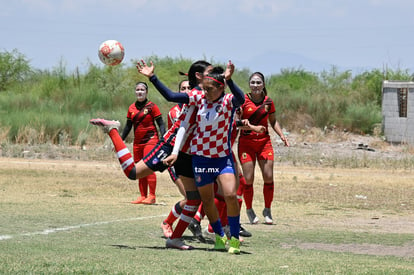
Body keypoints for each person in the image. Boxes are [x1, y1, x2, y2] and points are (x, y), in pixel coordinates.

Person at [137, 60, 245, 254]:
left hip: (222, 158)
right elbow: (171, 96)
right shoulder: (198, 96)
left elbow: (241, 99)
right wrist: (152, 77)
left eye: (210, 89)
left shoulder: (227, 100)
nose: (205, 92)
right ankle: (220, 236)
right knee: (208, 200)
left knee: (230, 195)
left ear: (220, 88)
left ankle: (234, 239)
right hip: (201, 159)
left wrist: (230, 80)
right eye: (204, 88)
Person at [237, 72, 289, 225]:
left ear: (263, 84)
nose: (255, 85)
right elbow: (236, 123)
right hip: (246, 143)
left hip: (264, 143)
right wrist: (251, 126)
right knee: (248, 179)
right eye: (253, 82)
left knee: (268, 176)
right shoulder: (242, 101)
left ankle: (267, 209)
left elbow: (273, 121)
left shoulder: (268, 102)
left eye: (258, 82)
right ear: (249, 85)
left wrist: (281, 135)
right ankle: (249, 209)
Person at [120, 81, 166, 204]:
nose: (139, 92)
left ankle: (152, 196)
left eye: (142, 90)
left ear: (146, 92)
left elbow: (161, 123)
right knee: (139, 169)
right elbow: (128, 126)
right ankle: (142, 196)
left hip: (151, 140)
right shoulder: (131, 108)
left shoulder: (152, 106)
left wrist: (163, 138)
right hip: (137, 142)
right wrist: (121, 140)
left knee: (148, 167)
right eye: (137, 90)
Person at [161, 80, 192, 238]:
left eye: (189, 88)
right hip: (176, 160)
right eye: (183, 88)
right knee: (189, 197)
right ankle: (167, 222)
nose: (186, 90)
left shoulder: (197, 108)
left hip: (191, 158)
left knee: (202, 196)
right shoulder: (174, 112)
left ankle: (195, 222)